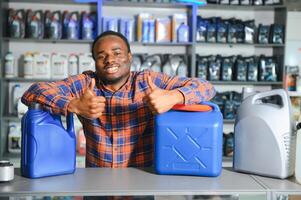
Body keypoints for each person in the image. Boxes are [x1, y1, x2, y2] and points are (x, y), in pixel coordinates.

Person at [21, 30, 216, 168]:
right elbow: (33, 92)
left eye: (117, 53)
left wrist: (174, 97)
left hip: (142, 178)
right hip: (97, 181)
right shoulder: (85, 83)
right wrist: (73, 105)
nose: (110, 60)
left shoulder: (148, 80)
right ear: (95, 62)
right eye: (101, 56)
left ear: (129, 57)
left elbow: (206, 87)